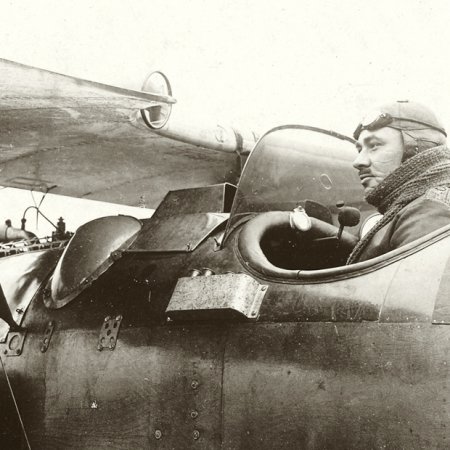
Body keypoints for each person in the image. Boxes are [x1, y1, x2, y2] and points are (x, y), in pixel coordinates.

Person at [347, 100, 450, 264]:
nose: (358, 161)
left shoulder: (429, 210)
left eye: (374, 145)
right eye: (360, 150)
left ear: (416, 148)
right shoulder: (414, 206)